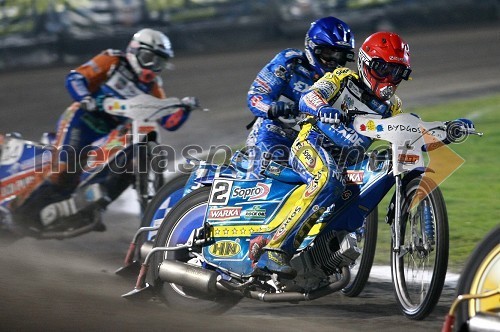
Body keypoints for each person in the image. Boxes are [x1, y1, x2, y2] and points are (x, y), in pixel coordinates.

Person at [253, 31, 475, 277]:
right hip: (311, 143)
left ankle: (323, 255)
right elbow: (309, 97)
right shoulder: (341, 77)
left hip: (348, 160)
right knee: (329, 180)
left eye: (397, 72)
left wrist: (447, 131)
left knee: (361, 189)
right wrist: (323, 108)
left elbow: (406, 136)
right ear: (366, 64)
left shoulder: (392, 107)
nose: (390, 79)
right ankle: (275, 249)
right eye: (383, 69)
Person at [14, 28, 190, 230]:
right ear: (134, 51)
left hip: (111, 133)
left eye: (159, 63)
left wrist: (183, 108)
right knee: (63, 170)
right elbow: (76, 78)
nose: (152, 68)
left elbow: (168, 121)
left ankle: (92, 207)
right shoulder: (112, 61)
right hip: (82, 121)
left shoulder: (153, 86)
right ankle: (20, 213)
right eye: (148, 58)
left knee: (129, 165)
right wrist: (86, 98)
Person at [245, 16, 355, 176]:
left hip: (311, 144)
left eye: (341, 55)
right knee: (264, 182)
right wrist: (272, 108)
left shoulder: (344, 80)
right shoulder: (290, 62)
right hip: (272, 135)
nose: (334, 60)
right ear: (312, 47)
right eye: (329, 52)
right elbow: (255, 96)